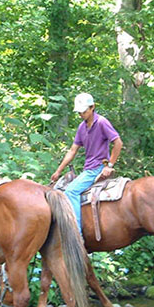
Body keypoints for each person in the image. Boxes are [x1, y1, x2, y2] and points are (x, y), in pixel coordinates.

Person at [50, 92, 123, 232]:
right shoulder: (81, 127)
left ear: (92, 107)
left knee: (71, 192)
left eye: (83, 111)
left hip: (97, 167)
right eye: (79, 112)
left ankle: (76, 234)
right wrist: (58, 171)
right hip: (88, 168)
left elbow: (118, 143)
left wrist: (110, 165)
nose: (81, 114)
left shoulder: (102, 122)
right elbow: (72, 151)